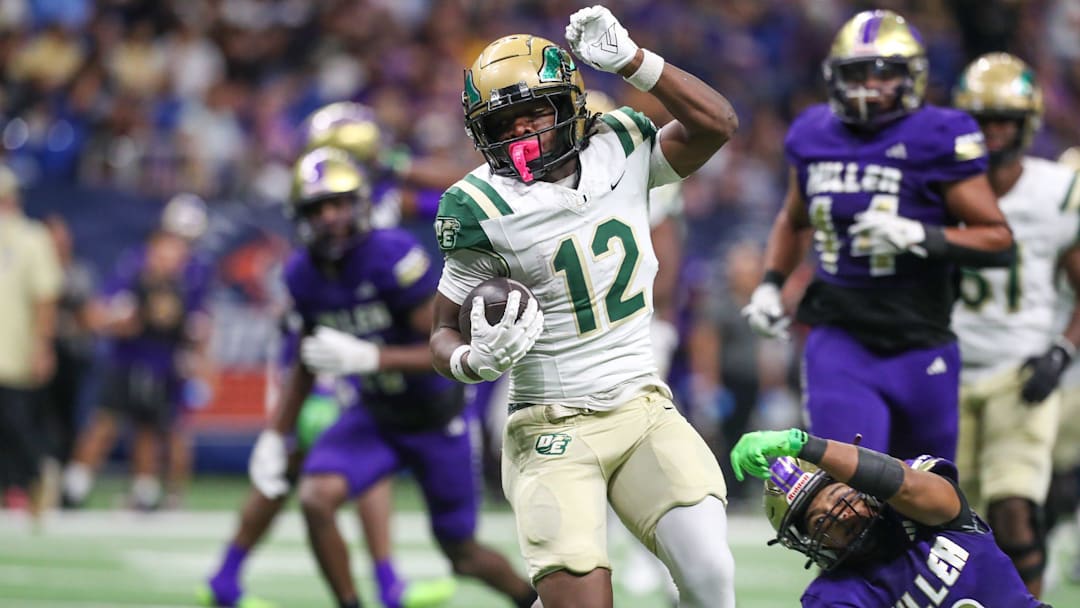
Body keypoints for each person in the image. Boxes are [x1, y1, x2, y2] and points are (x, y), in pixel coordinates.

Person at [428, 6, 739, 607]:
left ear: (569, 106)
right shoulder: (478, 206)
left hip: (643, 407)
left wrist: (633, 61)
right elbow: (440, 329)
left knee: (710, 578)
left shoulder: (620, 146)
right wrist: (472, 360)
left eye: (533, 113)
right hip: (550, 427)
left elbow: (717, 124)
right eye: (504, 123)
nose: (520, 133)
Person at [248, 147, 538, 608]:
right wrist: (274, 435)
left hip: (435, 418)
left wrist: (371, 358)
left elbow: (446, 347)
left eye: (339, 203)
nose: (330, 218)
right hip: (377, 416)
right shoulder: (302, 273)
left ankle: (529, 601)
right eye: (318, 208)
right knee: (316, 498)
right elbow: (308, 356)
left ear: (359, 203)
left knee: (461, 552)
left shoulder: (390, 253)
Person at [202, 103, 453, 608]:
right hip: (320, 343)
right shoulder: (324, 202)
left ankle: (383, 583)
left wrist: (398, 163)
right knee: (296, 462)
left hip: (361, 343)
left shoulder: (379, 193)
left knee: (351, 458)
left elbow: (463, 191)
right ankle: (229, 579)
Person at [741, 9, 1014, 461]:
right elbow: (794, 219)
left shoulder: (940, 134)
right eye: (857, 74)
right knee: (851, 496)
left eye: (883, 74)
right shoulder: (813, 133)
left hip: (921, 337)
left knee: (927, 500)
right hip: (840, 335)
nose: (869, 86)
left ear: (915, 77)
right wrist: (771, 283)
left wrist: (921, 236)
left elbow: (998, 240)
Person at [949, 53, 1080, 598]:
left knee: (1015, 507)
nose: (994, 131)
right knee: (950, 516)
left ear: (1027, 124)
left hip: (1019, 372)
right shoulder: (939, 187)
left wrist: (1060, 352)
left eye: (1005, 119)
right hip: (947, 368)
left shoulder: (1057, 192)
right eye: (984, 120)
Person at [729, 429, 1048, 607]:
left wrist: (804, 444)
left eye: (837, 498)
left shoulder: (922, 507)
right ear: (810, 543)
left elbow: (904, 484)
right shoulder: (835, 596)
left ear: (859, 482)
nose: (835, 516)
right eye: (819, 523)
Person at [61, 198, 213, 511]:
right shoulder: (136, 263)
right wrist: (117, 319)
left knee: (158, 431)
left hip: (165, 362)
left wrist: (198, 355)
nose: (179, 247)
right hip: (127, 358)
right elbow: (105, 311)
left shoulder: (195, 271)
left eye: (186, 241)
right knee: (105, 423)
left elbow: (194, 321)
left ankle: (155, 494)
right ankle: (74, 486)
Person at [0, 165, 62, 512]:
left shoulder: (32, 238)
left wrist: (42, 345)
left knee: (17, 423)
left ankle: (36, 475)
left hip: (14, 350)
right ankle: (14, 489)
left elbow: (45, 297)